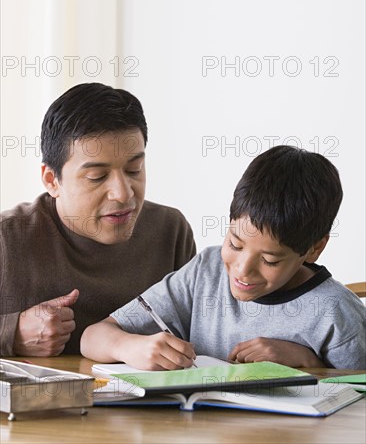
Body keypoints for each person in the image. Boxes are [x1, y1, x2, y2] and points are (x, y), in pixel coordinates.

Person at [81, 146, 365, 370]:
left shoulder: (335, 314)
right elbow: (92, 337)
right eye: (235, 244)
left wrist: (310, 363)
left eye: (269, 260)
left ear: (314, 249)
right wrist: (128, 347)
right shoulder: (206, 271)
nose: (243, 270)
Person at [0, 83, 196, 357]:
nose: (123, 193)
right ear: (51, 180)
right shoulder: (7, 239)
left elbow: (199, 335)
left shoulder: (170, 231)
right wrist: (12, 334)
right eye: (97, 177)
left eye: (134, 170)